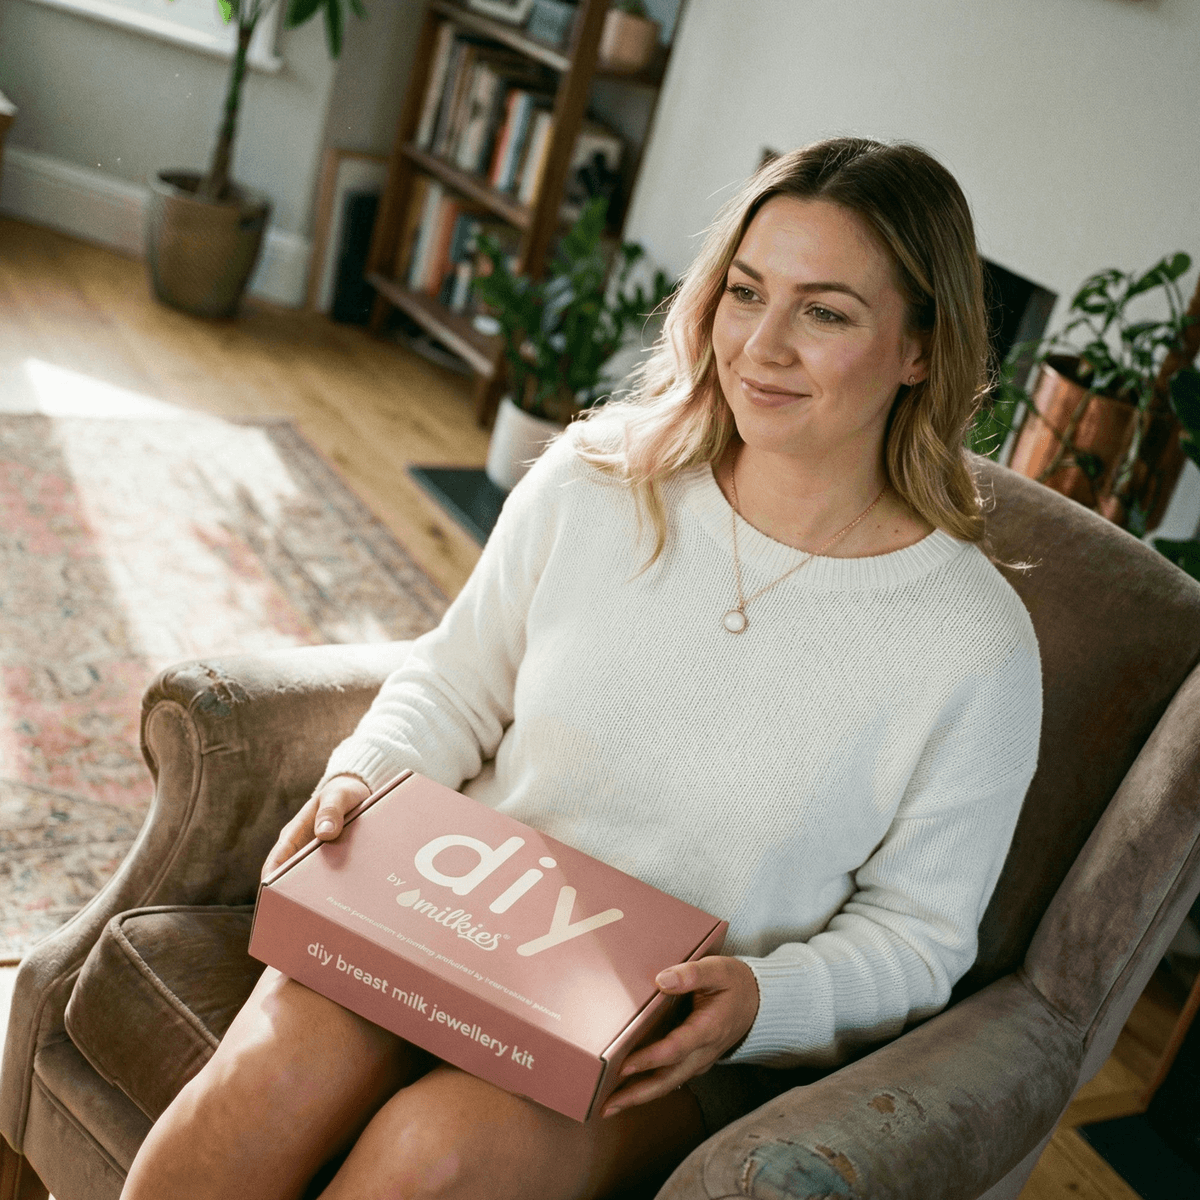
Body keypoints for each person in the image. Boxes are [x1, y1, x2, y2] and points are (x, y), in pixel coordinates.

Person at [121, 137, 1042, 1200]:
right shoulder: (600, 478)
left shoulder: (973, 644)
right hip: (444, 923)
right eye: (746, 292)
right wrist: (364, 773)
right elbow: (455, 678)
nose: (761, 344)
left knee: (436, 1150)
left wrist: (759, 997)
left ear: (921, 350)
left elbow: (921, 937)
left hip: (652, 1038)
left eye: (825, 312)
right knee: (279, 1067)